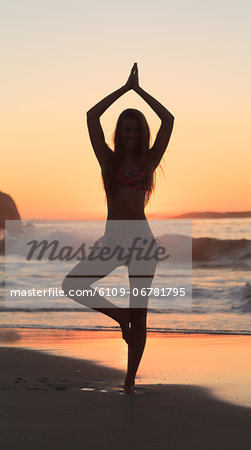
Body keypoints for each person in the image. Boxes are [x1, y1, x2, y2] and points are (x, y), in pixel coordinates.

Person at [62, 63, 174, 394]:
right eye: (125, 130)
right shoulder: (107, 161)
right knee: (74, 284)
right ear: (118, 133)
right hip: (112, 242)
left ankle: (128, 381)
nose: (131, 135)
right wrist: (124, 89)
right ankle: (119, 316)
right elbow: (91, 117)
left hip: (141, 242)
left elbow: (168, 121)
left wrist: (140, 91)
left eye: (135, 130)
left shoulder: (149, 161)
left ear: (142, 134)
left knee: (141, 317)